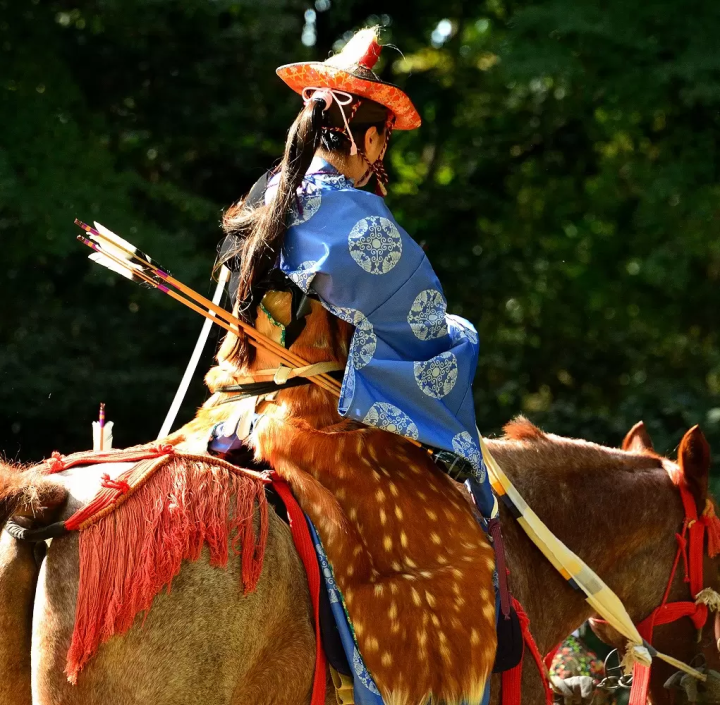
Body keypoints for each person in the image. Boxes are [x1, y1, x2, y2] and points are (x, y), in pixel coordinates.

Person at [217, 26, 495, 521]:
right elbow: (421, 335)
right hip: (309, 425)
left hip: (231, 411)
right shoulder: (361, 223)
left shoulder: (262, 195)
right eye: (384, 139)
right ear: (369, 137)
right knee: (460, 336)